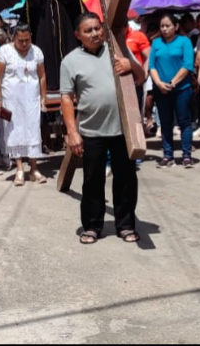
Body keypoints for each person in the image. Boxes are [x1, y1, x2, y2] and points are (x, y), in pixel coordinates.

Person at [61, 13, 146, 246]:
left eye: (97, 28)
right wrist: (72, 132)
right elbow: (66, 98)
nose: (95, 34)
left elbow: (141, 77)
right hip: (91, 131)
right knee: (92, 181)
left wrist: (130, 65)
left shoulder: (117, 50)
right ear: (78, 35)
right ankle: (92, 226)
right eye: (88, 30)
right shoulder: (70, 61)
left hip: (122, 129)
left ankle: (126, 225)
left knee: (126, 179)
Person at [0, 25, 49, 186]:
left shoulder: (37, 52)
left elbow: (42, 76)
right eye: (20, 40)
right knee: (14, 131)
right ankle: (19, 169)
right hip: (11, 99)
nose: (24, 44)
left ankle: (34, 169)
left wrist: (43, 97)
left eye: (27, 40)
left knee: (33, 130)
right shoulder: (3, 52)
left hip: (31, 98)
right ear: (13, 37)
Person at [25, 0, 82, 91]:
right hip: (44, 16)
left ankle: (69, 81)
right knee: (47, 45)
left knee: (66, 44)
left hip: (62, 15)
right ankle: (50, 82)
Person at [149, 14, 197, 168]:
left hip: (181, 89)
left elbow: (188, 65)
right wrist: (159, 83)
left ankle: (186, 155)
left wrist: (172, 83)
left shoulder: (184, 42)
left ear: (176, 27)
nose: (164, 29)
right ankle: (168, 155)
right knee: (165, 123)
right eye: (162, 26)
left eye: (167, 26)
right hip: (161, 90)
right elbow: (151, 66)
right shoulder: (156, 43)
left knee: (184, 122)